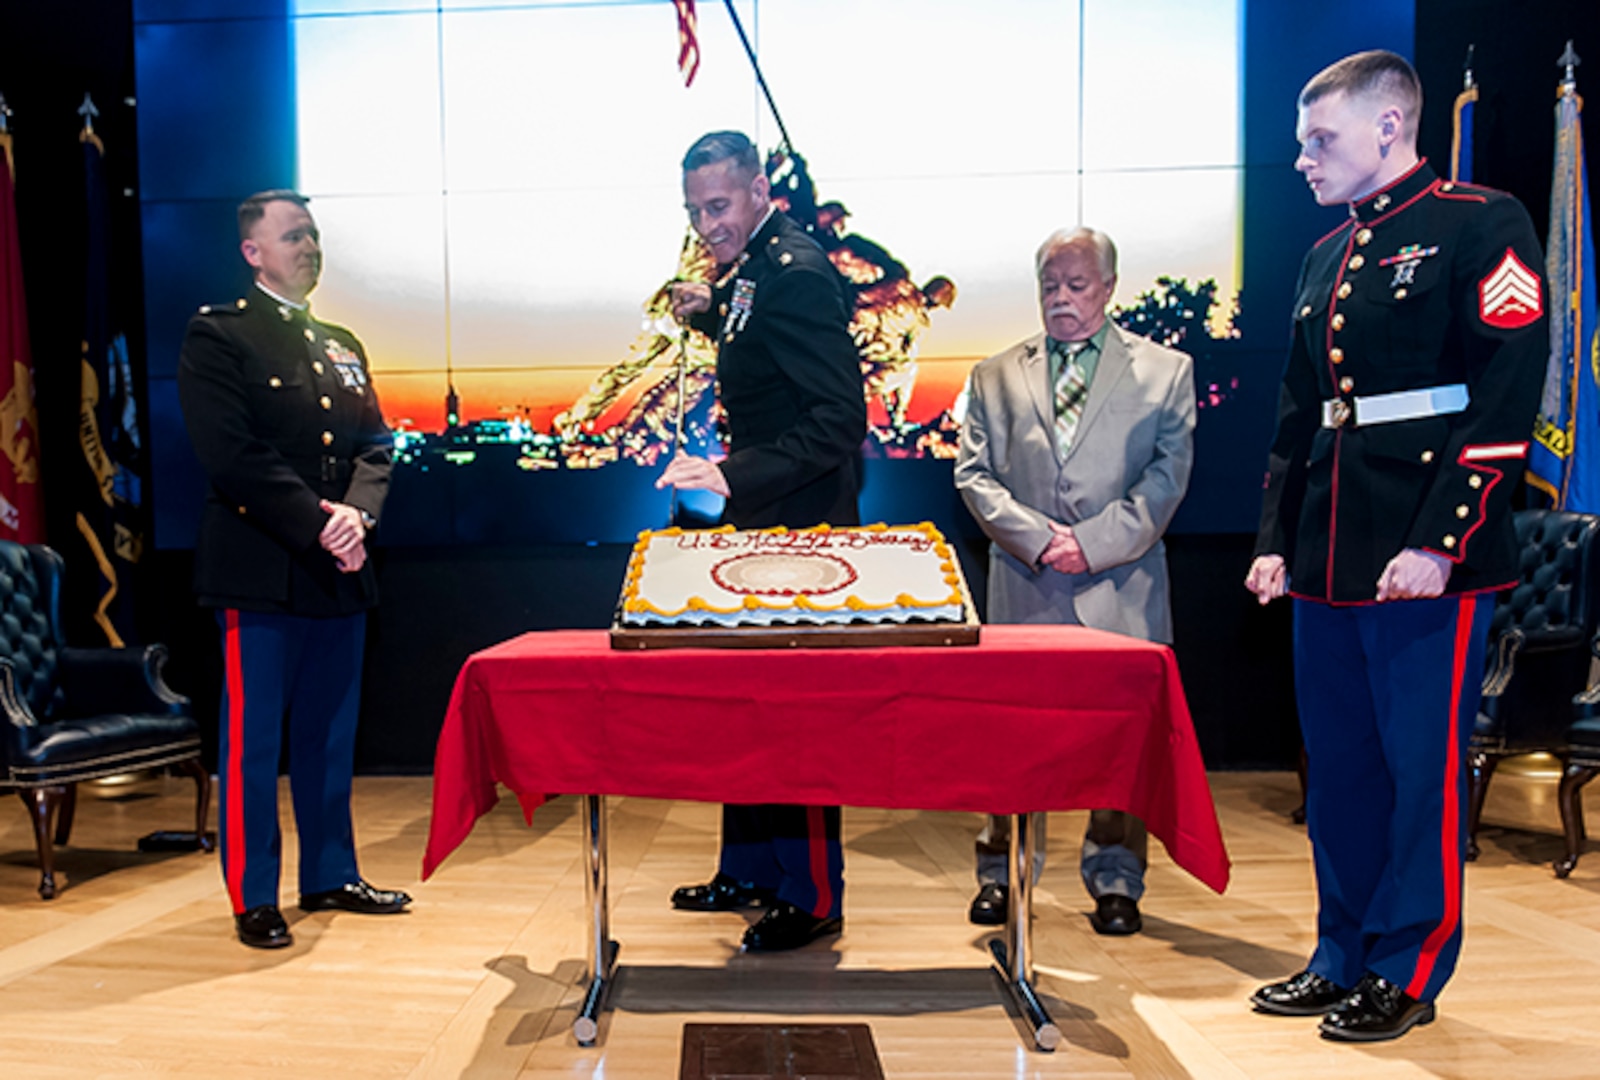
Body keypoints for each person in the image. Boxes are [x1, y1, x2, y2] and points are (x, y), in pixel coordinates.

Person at [1244, 51, 1546, 1042]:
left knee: (1420, 771)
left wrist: (1442, 542)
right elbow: (1302, 411)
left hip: (1422, 551)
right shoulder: (1324, 257)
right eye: (1298, 142)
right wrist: (1275, 540)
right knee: (1337, 772)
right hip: (1330, 550)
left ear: (1387, 125)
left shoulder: (1478, 221)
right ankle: (1340, 955)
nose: (1301, 159)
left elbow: (1505, 394)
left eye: (1317, 139)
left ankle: (1407, 969)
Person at [178, 190, 411, 949]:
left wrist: (360, 516)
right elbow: (233, 456)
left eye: (314, 235)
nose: (310, 247)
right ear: (254, 252)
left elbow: (375, 445)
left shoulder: (341, 341)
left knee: (329, 731)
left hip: (338, 565)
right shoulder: (219, 335)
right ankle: (254, 893)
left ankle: (330, 873)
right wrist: (323, 523)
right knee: (253, 742)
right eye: (293, 236)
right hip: (262, 565)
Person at [657, 131, 868, 952]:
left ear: (757, 192)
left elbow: (837, 420)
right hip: (765, 527)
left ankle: (812, 895)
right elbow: (766, 355)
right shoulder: (752, 272)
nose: (707, 225)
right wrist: (711, 314)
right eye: (694, 210)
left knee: (796, 720)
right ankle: (749, 868)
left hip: (800, 533)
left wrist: (727, 475)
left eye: (718, 206)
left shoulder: (797, 276)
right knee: (747, 711)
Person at [953, 226, 1196, 936]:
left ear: (1110, 287)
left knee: (1120, 746)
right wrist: (1040, 541)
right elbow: (973, 474)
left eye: (1076, 285)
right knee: (1008, 740)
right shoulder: (994, 376)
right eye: (1049, 286)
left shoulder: (1165, 372)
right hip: (1024, 589)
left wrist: (1088, 545)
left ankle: (1117, 879)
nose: (1060, 299)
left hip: (1120, 586)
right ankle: (1001, 873)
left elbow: (1167, 477)